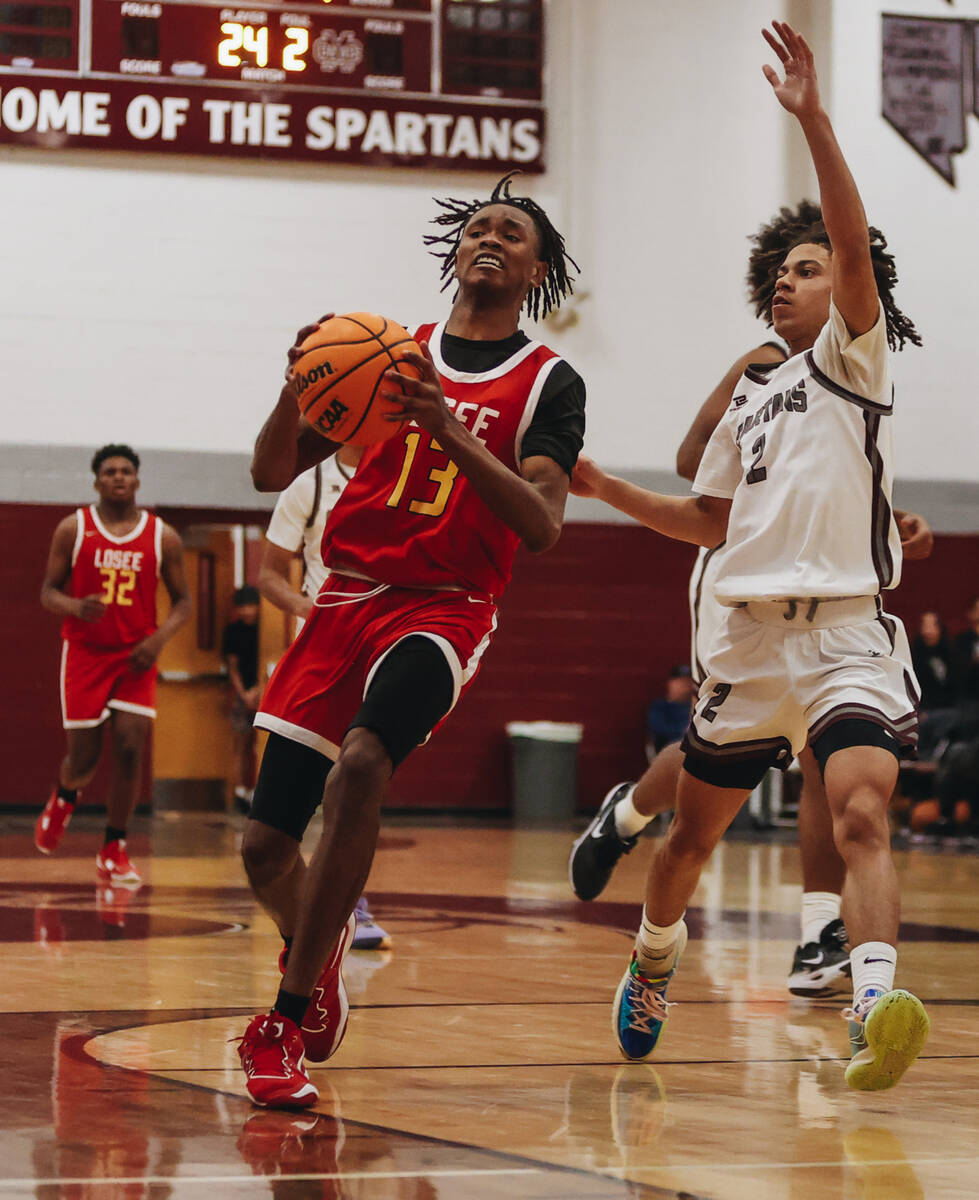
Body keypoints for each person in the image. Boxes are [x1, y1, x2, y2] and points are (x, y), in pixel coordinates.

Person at [571, 23, 929, 1091]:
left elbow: (856, 251)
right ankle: (652, 962)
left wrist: (815, 118)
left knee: (862, 810)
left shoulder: (854, 356)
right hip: (752, 644)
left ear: (845, 289)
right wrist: (604, 491)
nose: (787, 279)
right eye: (778, 269)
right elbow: (706, 521)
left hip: (850, 636)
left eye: (805, 266)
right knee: (687, 848)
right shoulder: (753, 394)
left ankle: (873, 1005)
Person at [235, 172, 585, 1108]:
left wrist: (454, 434)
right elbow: (272, 468)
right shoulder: (387, 356)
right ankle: (324, 942)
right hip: (341, 598)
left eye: (512, 231)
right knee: (264, 849)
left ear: (536, 267)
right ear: (454, 252)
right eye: (478, 225)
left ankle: (286, 1014)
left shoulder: (546, 379)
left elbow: (543, 524)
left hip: (445, 604)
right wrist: (295, 382)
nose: (490, 238)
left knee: (361, 762)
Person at [258, 444, 394, 951]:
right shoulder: (310, 485)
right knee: (298, 805)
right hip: (320, 655)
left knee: (358, 779)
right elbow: (269, 574)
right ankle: (316, 906)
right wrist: (306, 608)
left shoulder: (413, 470)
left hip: (384, 647)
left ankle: (349, 902)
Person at [35, 444, 191, 884]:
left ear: (137, 481)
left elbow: (184, 603)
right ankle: (65, 796)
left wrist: (157, 641)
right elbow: (47, 591)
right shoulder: (74, 529)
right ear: (97, 481)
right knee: (83, 757)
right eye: (110, 471)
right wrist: (73, 604)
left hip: (136, 657)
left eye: (126, 471)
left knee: (128, 749)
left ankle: (114, 846)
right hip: (85, 653)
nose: (119, 477)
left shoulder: (163, 536)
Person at [222, 585, 263, 814]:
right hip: (241, 693)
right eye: (243, 606)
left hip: (262, 690)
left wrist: (258, 689)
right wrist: (244, 693)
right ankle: (239, 791)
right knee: (239, 742)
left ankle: (258, 790)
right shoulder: (232, 631)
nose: (247, 611)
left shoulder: (264, 631)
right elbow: (232, 667)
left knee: (259, 745)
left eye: (251, 605)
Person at [645, 666, 696, 758]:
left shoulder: (697, 706)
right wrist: (686, 732)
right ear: (670, 683)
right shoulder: (660, 707)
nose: (684, 684)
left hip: (697, 752)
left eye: (687, 681)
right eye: (680, 681)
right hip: (673, 752)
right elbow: (660, 729)